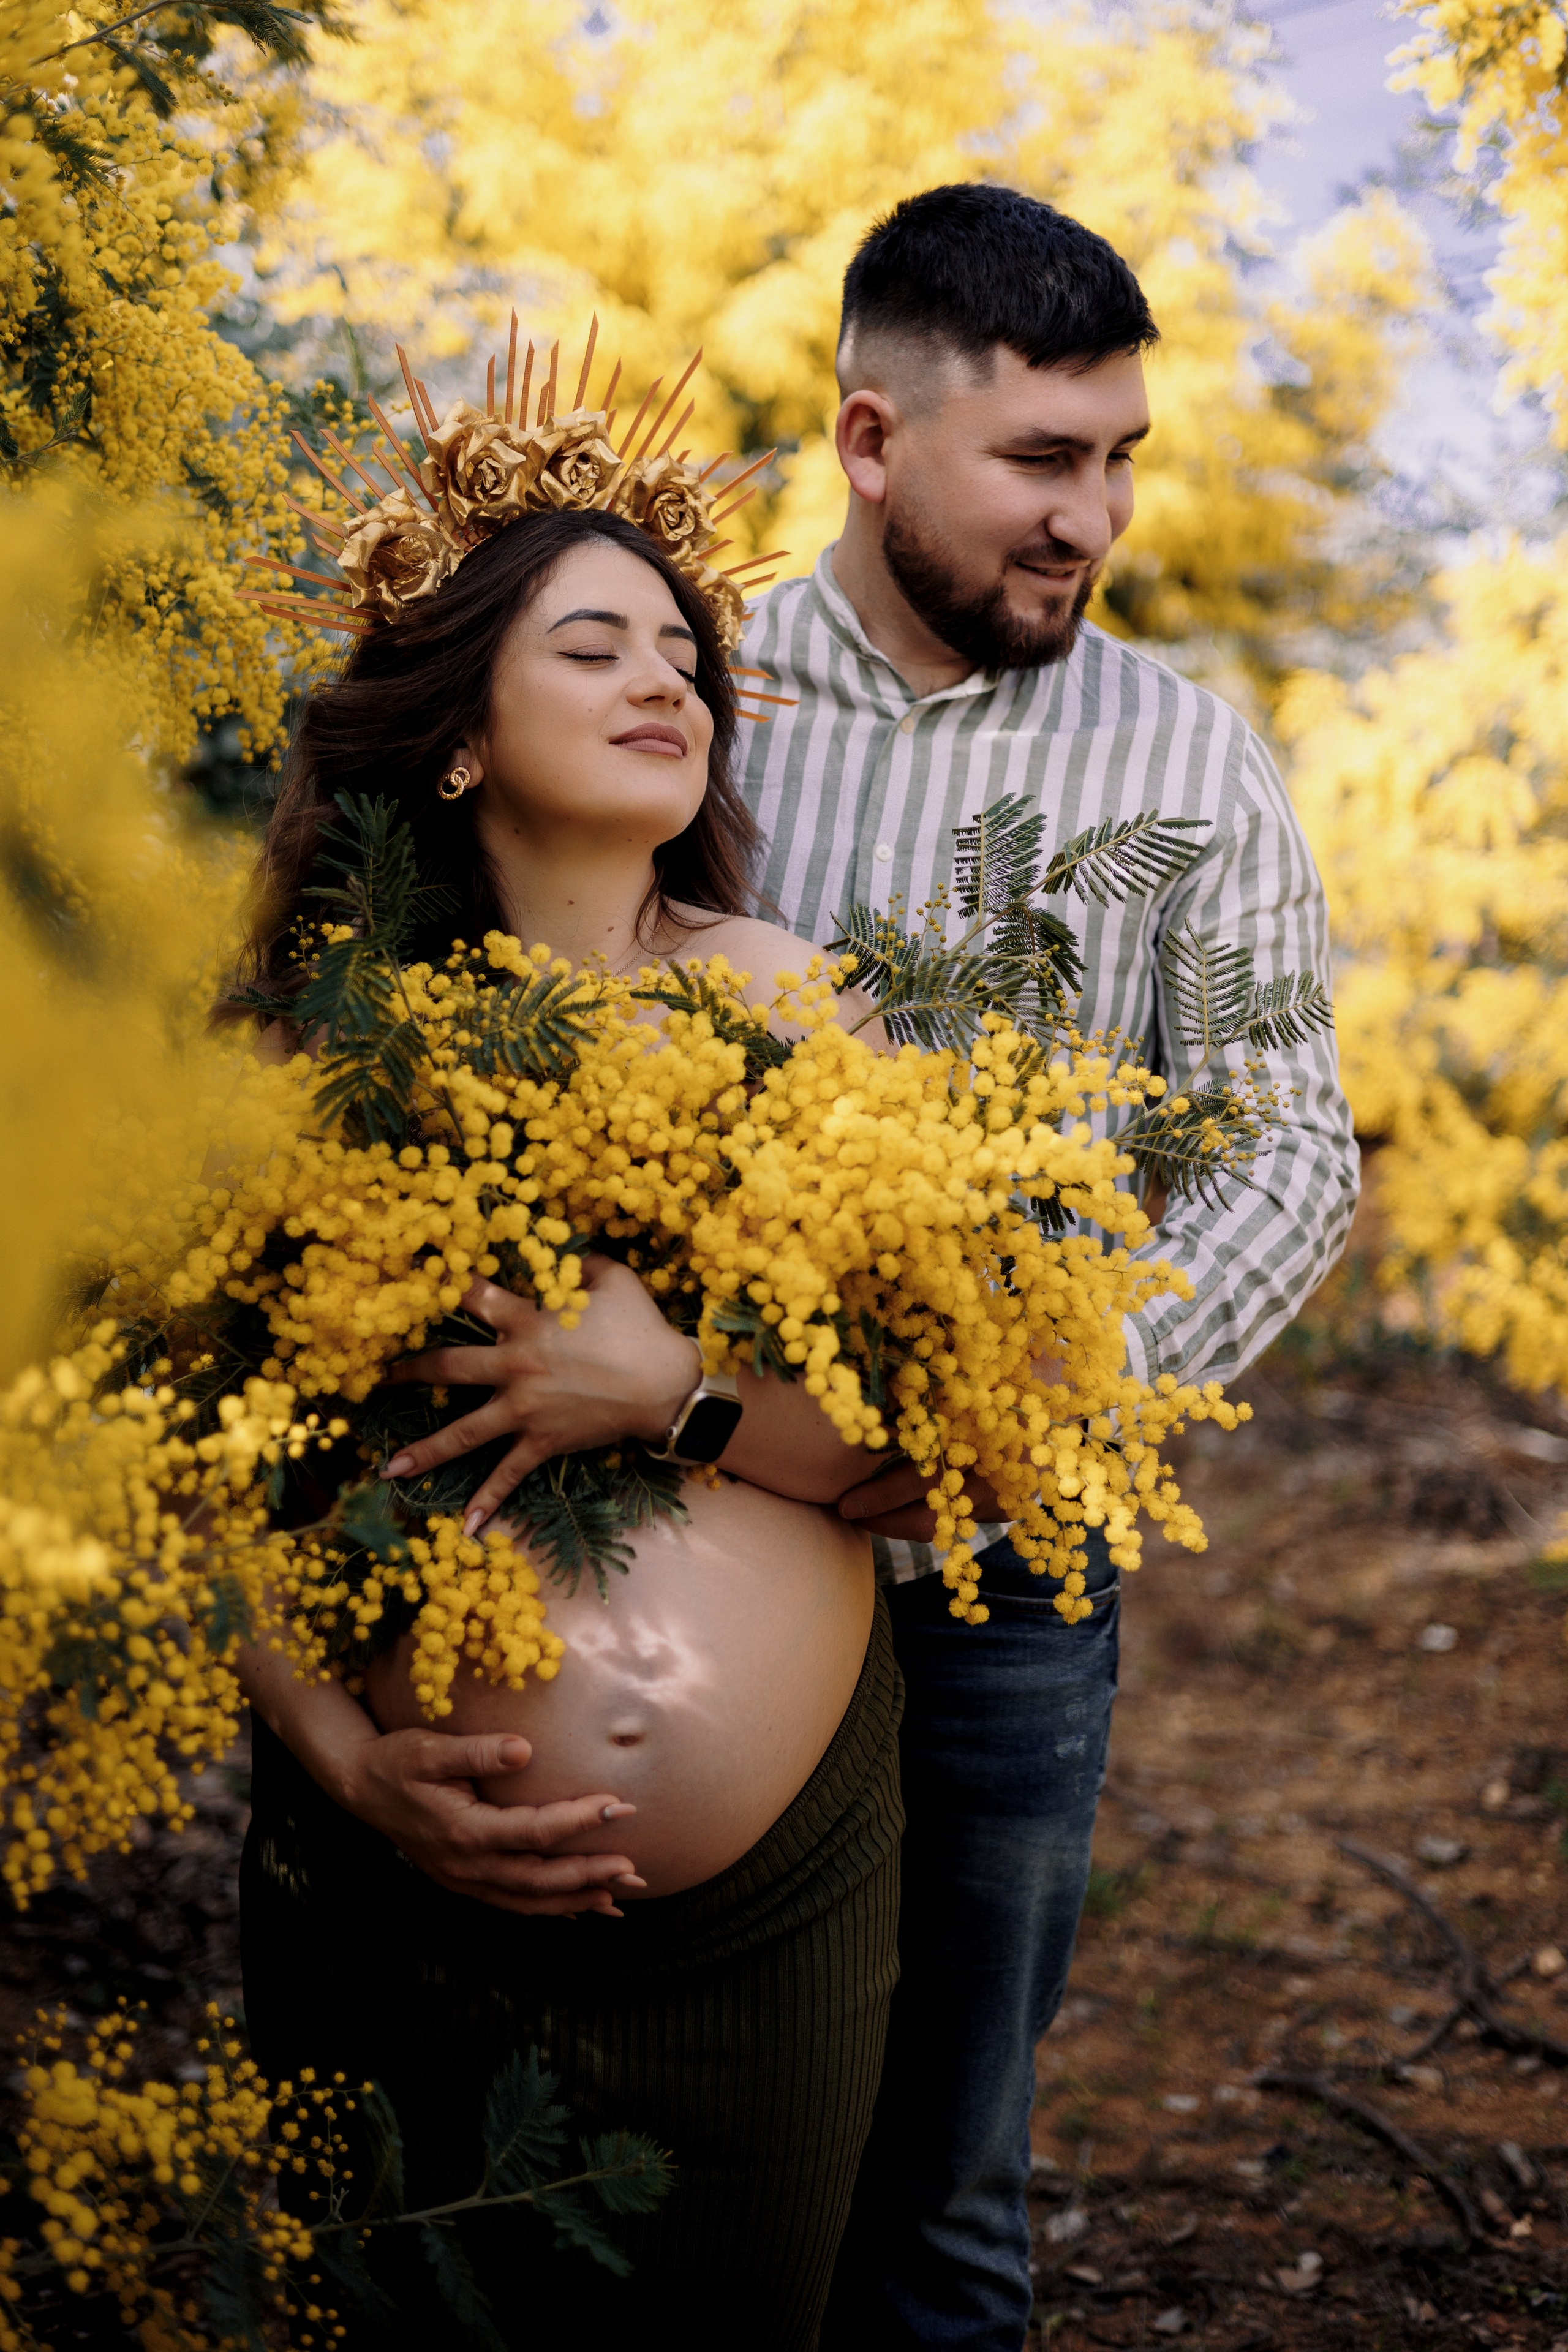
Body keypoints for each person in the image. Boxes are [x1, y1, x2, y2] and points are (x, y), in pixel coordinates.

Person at [735, 183, 1360, 2349]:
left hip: (1009, 1581)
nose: (1091, 520)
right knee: (700, 2164)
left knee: (943, 2209)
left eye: (1120, 463)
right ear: (871, 439)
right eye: (1040, 461)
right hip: (694, 1541)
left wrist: (1046, 1400)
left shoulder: (1184, 757)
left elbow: (1287, 1150)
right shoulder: (676, 692)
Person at [234, 505, 904, 2348]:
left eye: (683, 654)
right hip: (392, 1891)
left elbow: (950, 1459)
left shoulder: (794, 1008)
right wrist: (352, 1769)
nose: (664, 681)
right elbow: (191, 1490)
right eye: (596, 648)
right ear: (457, 733)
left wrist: (669, 1395)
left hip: (763, 1923)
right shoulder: (317, 1057)